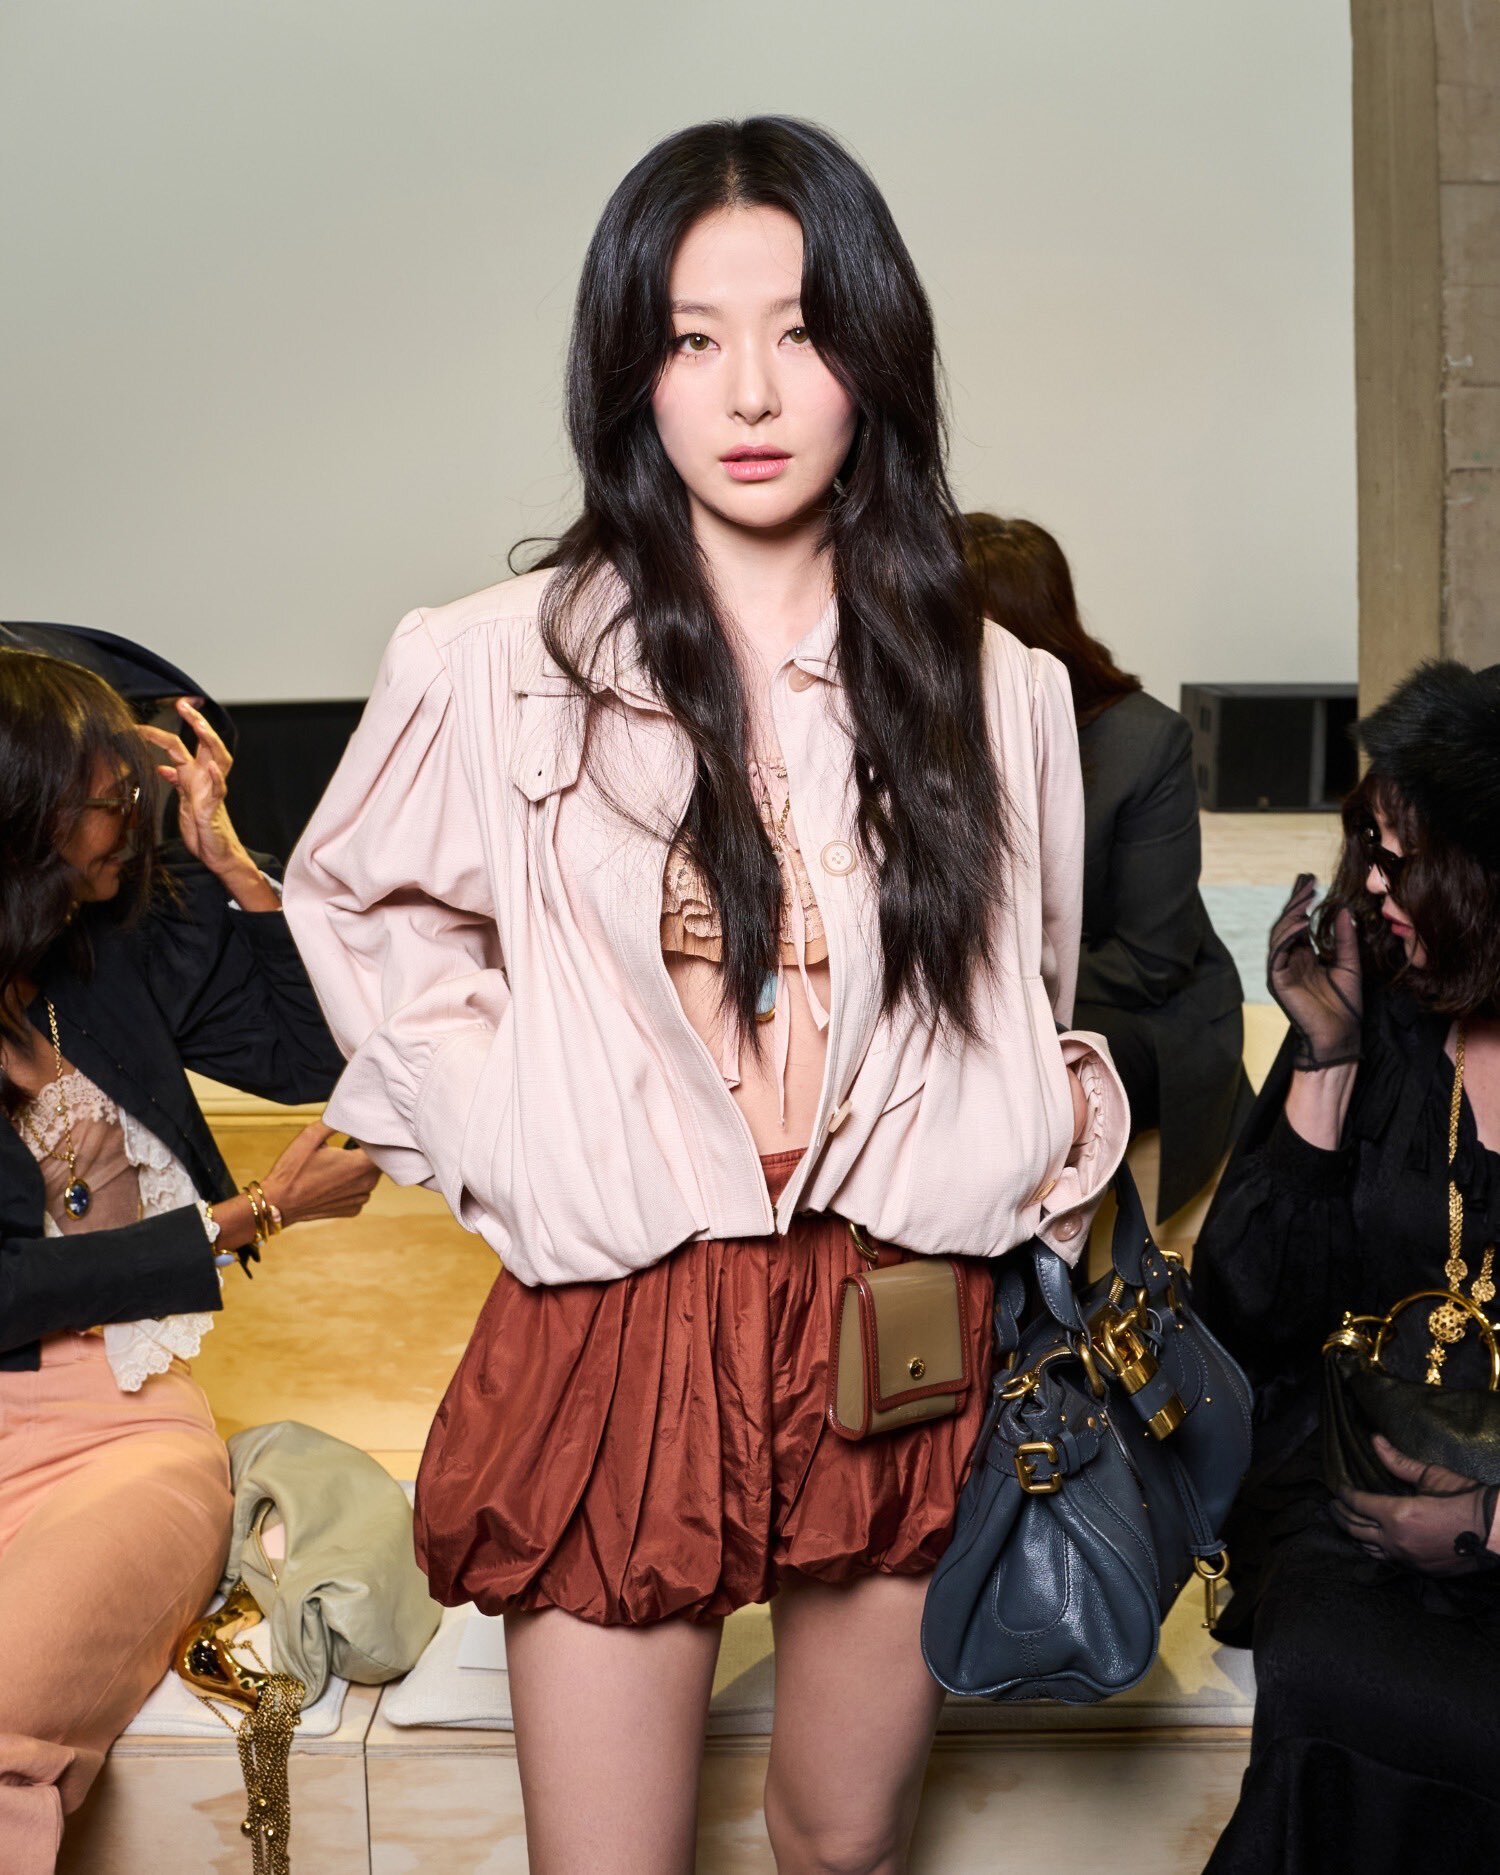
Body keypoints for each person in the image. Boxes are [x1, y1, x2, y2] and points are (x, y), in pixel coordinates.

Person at [285, 117, 1128, 1875]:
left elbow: (1022, 979)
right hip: (625, 1305)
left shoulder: (999, 689)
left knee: (844, 1839)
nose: (750, 390)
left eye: (802, 331)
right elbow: (361, 905)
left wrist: (1011, 1144)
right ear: (632, 373)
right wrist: (512, 1117)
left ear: (874, 359)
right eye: (691, 337)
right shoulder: (493, 663)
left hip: (893, 1293)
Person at [0, 649, 381, 1875]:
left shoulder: (103, 955)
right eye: (109, 787)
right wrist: (247, 1215)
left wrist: (236, 869)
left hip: (108, 1436)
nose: (135, 805)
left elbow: (313, 1054)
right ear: (24, 812)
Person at [1192, 659, 1500, 1871]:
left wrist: (1488, 1526)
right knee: (1325, 1665)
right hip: (1358, 1504)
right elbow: (1248, 1313)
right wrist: (1326, 1057)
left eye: (1405, 860)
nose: (1373, 886)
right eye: (1371, 849)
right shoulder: (1394, 1021)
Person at [965, 513, 1251, 1221]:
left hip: (1134, 1006)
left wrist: (995, 976)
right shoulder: (938, 725)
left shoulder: (1142, 743)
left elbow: (1152, 961)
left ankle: (1034, 1276)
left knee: (1008, 1073)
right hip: (1002, 990)